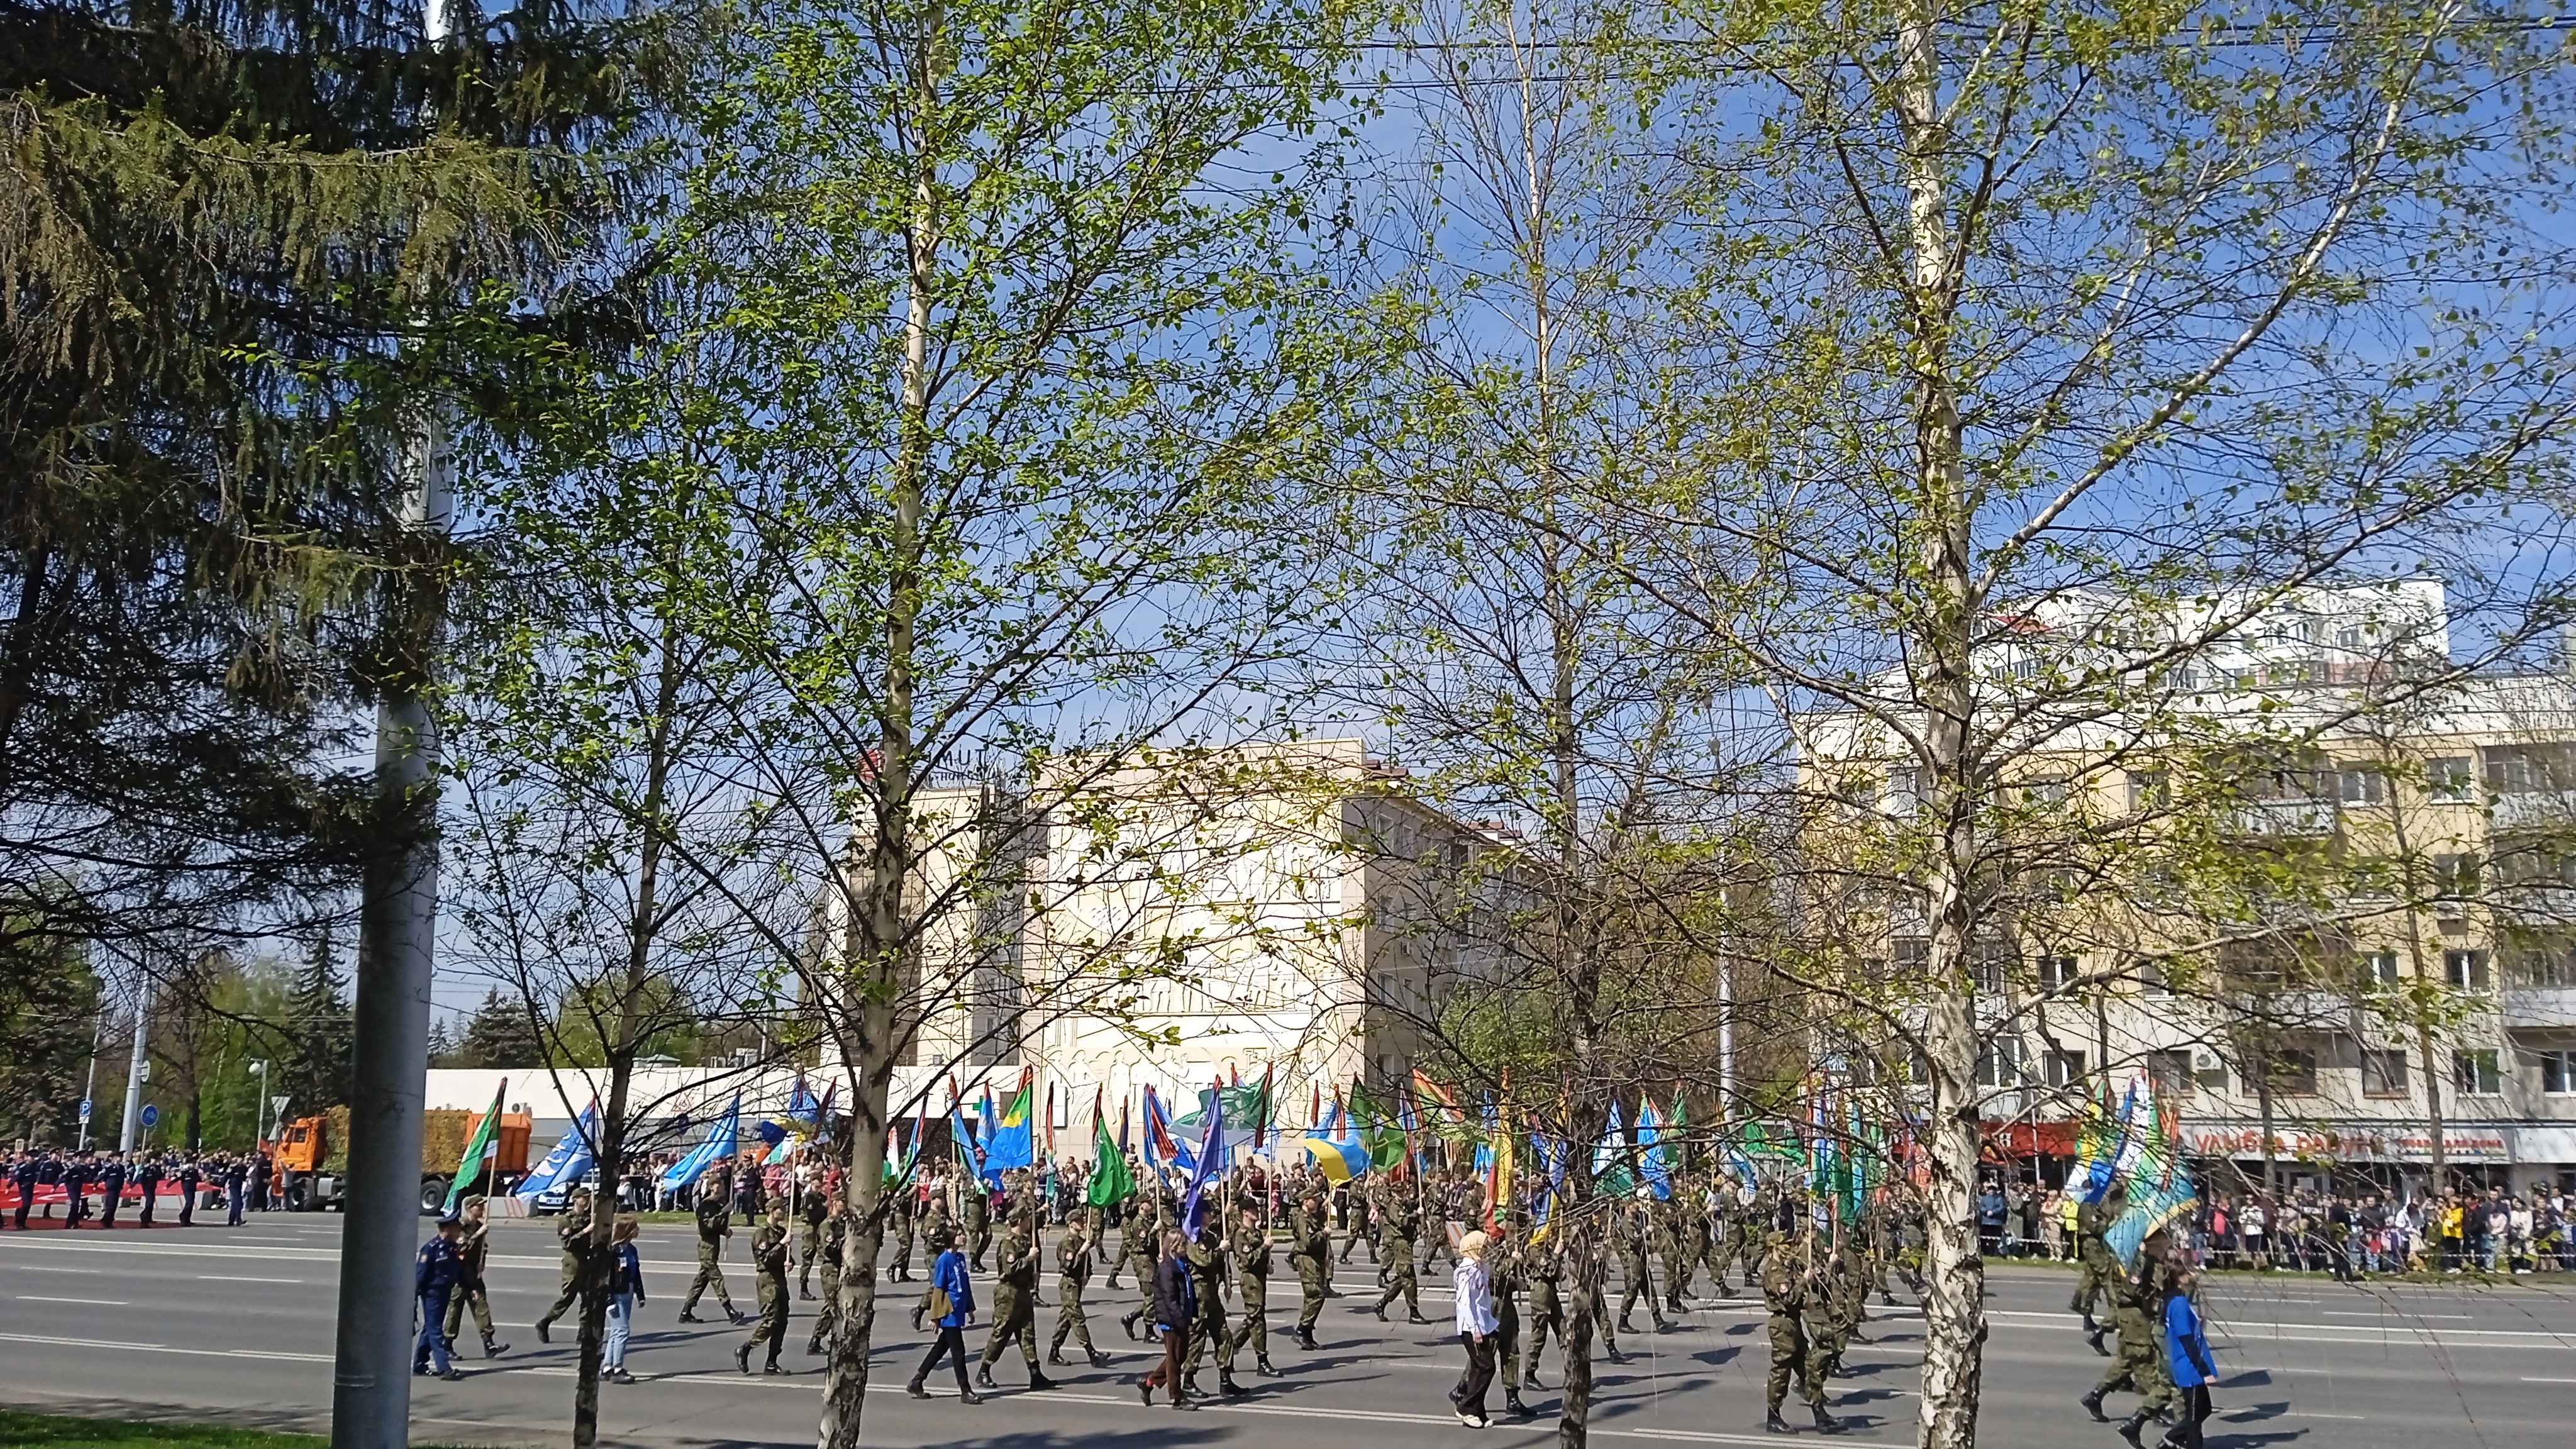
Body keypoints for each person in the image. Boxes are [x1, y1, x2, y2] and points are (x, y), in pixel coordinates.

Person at [975, 1206, 1057, 1391]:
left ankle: (1035, 1374)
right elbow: (1010, 1269)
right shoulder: (1008, 1243)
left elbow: (1025, 1267)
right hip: (1008, 1293)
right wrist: (1029, 1258)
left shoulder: (1025, 1240)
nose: (1029, 1221)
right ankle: (984, 1370)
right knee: (1001, 1334)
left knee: (1028, 1334)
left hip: (1023, 1292)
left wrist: (1033, 1276)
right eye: (1027, 1218)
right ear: (1020, 1221)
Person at [907, 1228, 984, 1403]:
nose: (963, 1237)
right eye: (959, 1235)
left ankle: (917, 1381)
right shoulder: (944, 1260)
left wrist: (970, 1309)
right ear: (950, 1238)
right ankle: (965, 1390)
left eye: (963, 1234)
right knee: (959, 1351)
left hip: (959, 1309)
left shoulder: (961, 1258)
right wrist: (935, 1317)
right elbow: (938, 1290)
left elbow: (965, 1284)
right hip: (948, 1310)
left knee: (940, 1348)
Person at [442, 1196, 510, 1358]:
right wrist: (478, 1234)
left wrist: (482, 1262)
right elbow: (460, 1248)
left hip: (473, 1273)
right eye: (478, 1207)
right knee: (455, 1311)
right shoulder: (461, 1227)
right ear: (469, 1208)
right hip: (459, 1274)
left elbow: (483, 1248)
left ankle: (489, 1344)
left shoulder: (480, 1226)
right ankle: (447, 1345)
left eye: (482, 1206)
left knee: (481, 1307)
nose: (482, 1209)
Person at [1138, 1228, 1196, 1409]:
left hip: (1182, 1317)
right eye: (1183, 1244)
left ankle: (1148, 1382)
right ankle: (1177, 1397)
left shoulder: (1181, 1264)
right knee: (1174, 1360)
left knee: (1179, 1356)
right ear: (1173, 1246)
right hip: (1171, 1320)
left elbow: (1186, 1292)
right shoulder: (1167, 1268)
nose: (1186, 1246)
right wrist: (1181, 1322)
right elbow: (1170, 1299)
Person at [2158, 1269, 2216, 1449]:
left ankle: (2171, 1440)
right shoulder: (2179, 1303)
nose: (2192, 1274)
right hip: (2189, 1364)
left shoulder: (2176, 1299)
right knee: (2194, 1416)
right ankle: (2175, 1441)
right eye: (2188, 1272)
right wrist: (2204, 1371)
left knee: (2204, 1409)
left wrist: (2197, 1322)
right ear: (2179, 1278)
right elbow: (2186, 1339)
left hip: (2187, 1361)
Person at [735, 1201, 793, 1374]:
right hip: (768, 1280)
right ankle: (746, 1348)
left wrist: (789, 1263)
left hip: (780, 1279)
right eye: (781, 1209)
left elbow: (785, 1256)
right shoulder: (762, 1233)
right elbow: (765, 1258)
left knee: (782, 1322)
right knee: (771, 1321)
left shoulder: (781, 1231)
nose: (784, 1212)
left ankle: (772, 1362)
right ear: (772, 1211)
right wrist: (782, 1243)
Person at [680, 1175, 747, 1324]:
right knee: (717, 1278)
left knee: (701, 1281)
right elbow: (707, 1225)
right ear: (711, 1187)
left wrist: (725, 1231)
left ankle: (686, 1311)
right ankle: (730, 1310)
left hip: (714, 1246)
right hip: (706, 1247)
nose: (722, 1187)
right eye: (719, 1184)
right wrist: (723, 1212)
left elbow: (719, 1226)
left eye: (723, 1184)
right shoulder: (705, 1205)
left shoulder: (718, 1205)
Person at [1450, 1229, 1497, 1428]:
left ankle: (1478, 1411)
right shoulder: (1466, 1272)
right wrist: (1474, 1328)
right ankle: (1466, 1408)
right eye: (1483, 1246)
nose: (1487, 1249)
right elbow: (1464, 1304)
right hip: (1470, 1327)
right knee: (1487, 1367)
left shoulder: (1480, 1267)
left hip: (1483, 1324)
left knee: (1479, 1369)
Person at [535, 1189, 596, 1342]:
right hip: (573, 1262)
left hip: (587, 1260)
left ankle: (583, 1332)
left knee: (589, 1298)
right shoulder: (566, 1220)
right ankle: (545, 1322)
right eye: (584, 1198)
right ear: (576, 1199)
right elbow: (567, 1244)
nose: (587, 1201)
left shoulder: (590, 1218)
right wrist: (585, 1231)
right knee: (568, 1297)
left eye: (588, 1198)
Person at [1048, 1212, 1108, 1367]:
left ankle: (1054, 1352)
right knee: (1077, 1318)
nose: (1082, 1223)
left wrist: (1087, 1274)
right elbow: (1068, 1265)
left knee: (1066, 1320)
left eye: (1082, 1220)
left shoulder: (1081, 1241)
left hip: (1077, 1283)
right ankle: (1092, 1353)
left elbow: (1087, 1262)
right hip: (1069, 1285)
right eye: (1079, 1221)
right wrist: (1081, 1251)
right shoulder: (1067, 1243)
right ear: (1071, 1224)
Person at [414, 1216, 467, 1380]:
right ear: (447, 1229)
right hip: (432, 1293)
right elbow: (420, 1274)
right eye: (457, 1227)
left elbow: (457, 1270)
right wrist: (414, 1295)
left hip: (445, 1292)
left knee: (430, 1329)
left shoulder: (452, 1247)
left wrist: (470, 1287)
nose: (459, 1230)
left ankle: (419, 1364)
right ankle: (444, 1368)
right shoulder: (431, 1248)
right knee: (436, 1331)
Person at [605, 1216, 645, 1383]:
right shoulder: (614, 1251)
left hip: (627, 1291)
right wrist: (609, 1300)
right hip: (616, 1295)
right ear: (628, 1231)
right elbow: (607, 1277)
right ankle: (618, 1369)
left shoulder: (631, 1250)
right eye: (636, 1227)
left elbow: (636, 1273)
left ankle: (607, 1367)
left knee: (616, 1331)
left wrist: (640, 1295)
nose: (638, 1230)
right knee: (622, 1331)